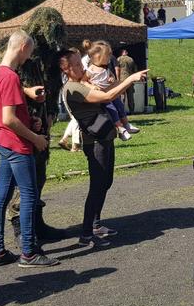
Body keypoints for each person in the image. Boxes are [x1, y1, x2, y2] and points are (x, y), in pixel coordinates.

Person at [59, 49, 148, 247]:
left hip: (104, 138)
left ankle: (95, 225)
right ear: (66, 70)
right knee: (97, 186)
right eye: (76, 64)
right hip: (95, 142)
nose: (81, 66)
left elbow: (108, 89)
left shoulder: (82, 82)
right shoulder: (73, 88)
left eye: (80, 63)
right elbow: (107, 97)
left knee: (105, 182)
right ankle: (86, 234)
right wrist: (130, 79)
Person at [0, 30, 58, 268]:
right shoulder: (10, 77)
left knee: (2, 196)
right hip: (16, 145)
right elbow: (8, 118)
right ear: (22, 48)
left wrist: (30, 121)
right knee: (29, 195)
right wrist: (35, 137)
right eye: (29, 52)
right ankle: (28, 252)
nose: (29, 57)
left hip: (3, 143)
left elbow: (2, 114)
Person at [85, 42, 140, 141]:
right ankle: (120, 128)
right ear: (99, 57)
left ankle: (126, 124)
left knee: (120, 106)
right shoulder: (91, 70)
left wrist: (112, 79)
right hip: (102, 96)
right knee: (112, 110)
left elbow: (112, 76)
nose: (109, 58)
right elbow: (83, 81)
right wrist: (92, 86)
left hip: (110, 93)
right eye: (107, 56)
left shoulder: (105, 69)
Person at [116, 49, 138, 113]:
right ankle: (132, 111)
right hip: (130, 79)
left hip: (121, 80)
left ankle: (122, 111)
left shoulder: (118, 59)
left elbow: (116, 69)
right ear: (127, 53)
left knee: (122, 96)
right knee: (130, 96)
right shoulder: (131, 59)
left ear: (121, 53)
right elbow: (135, 69)